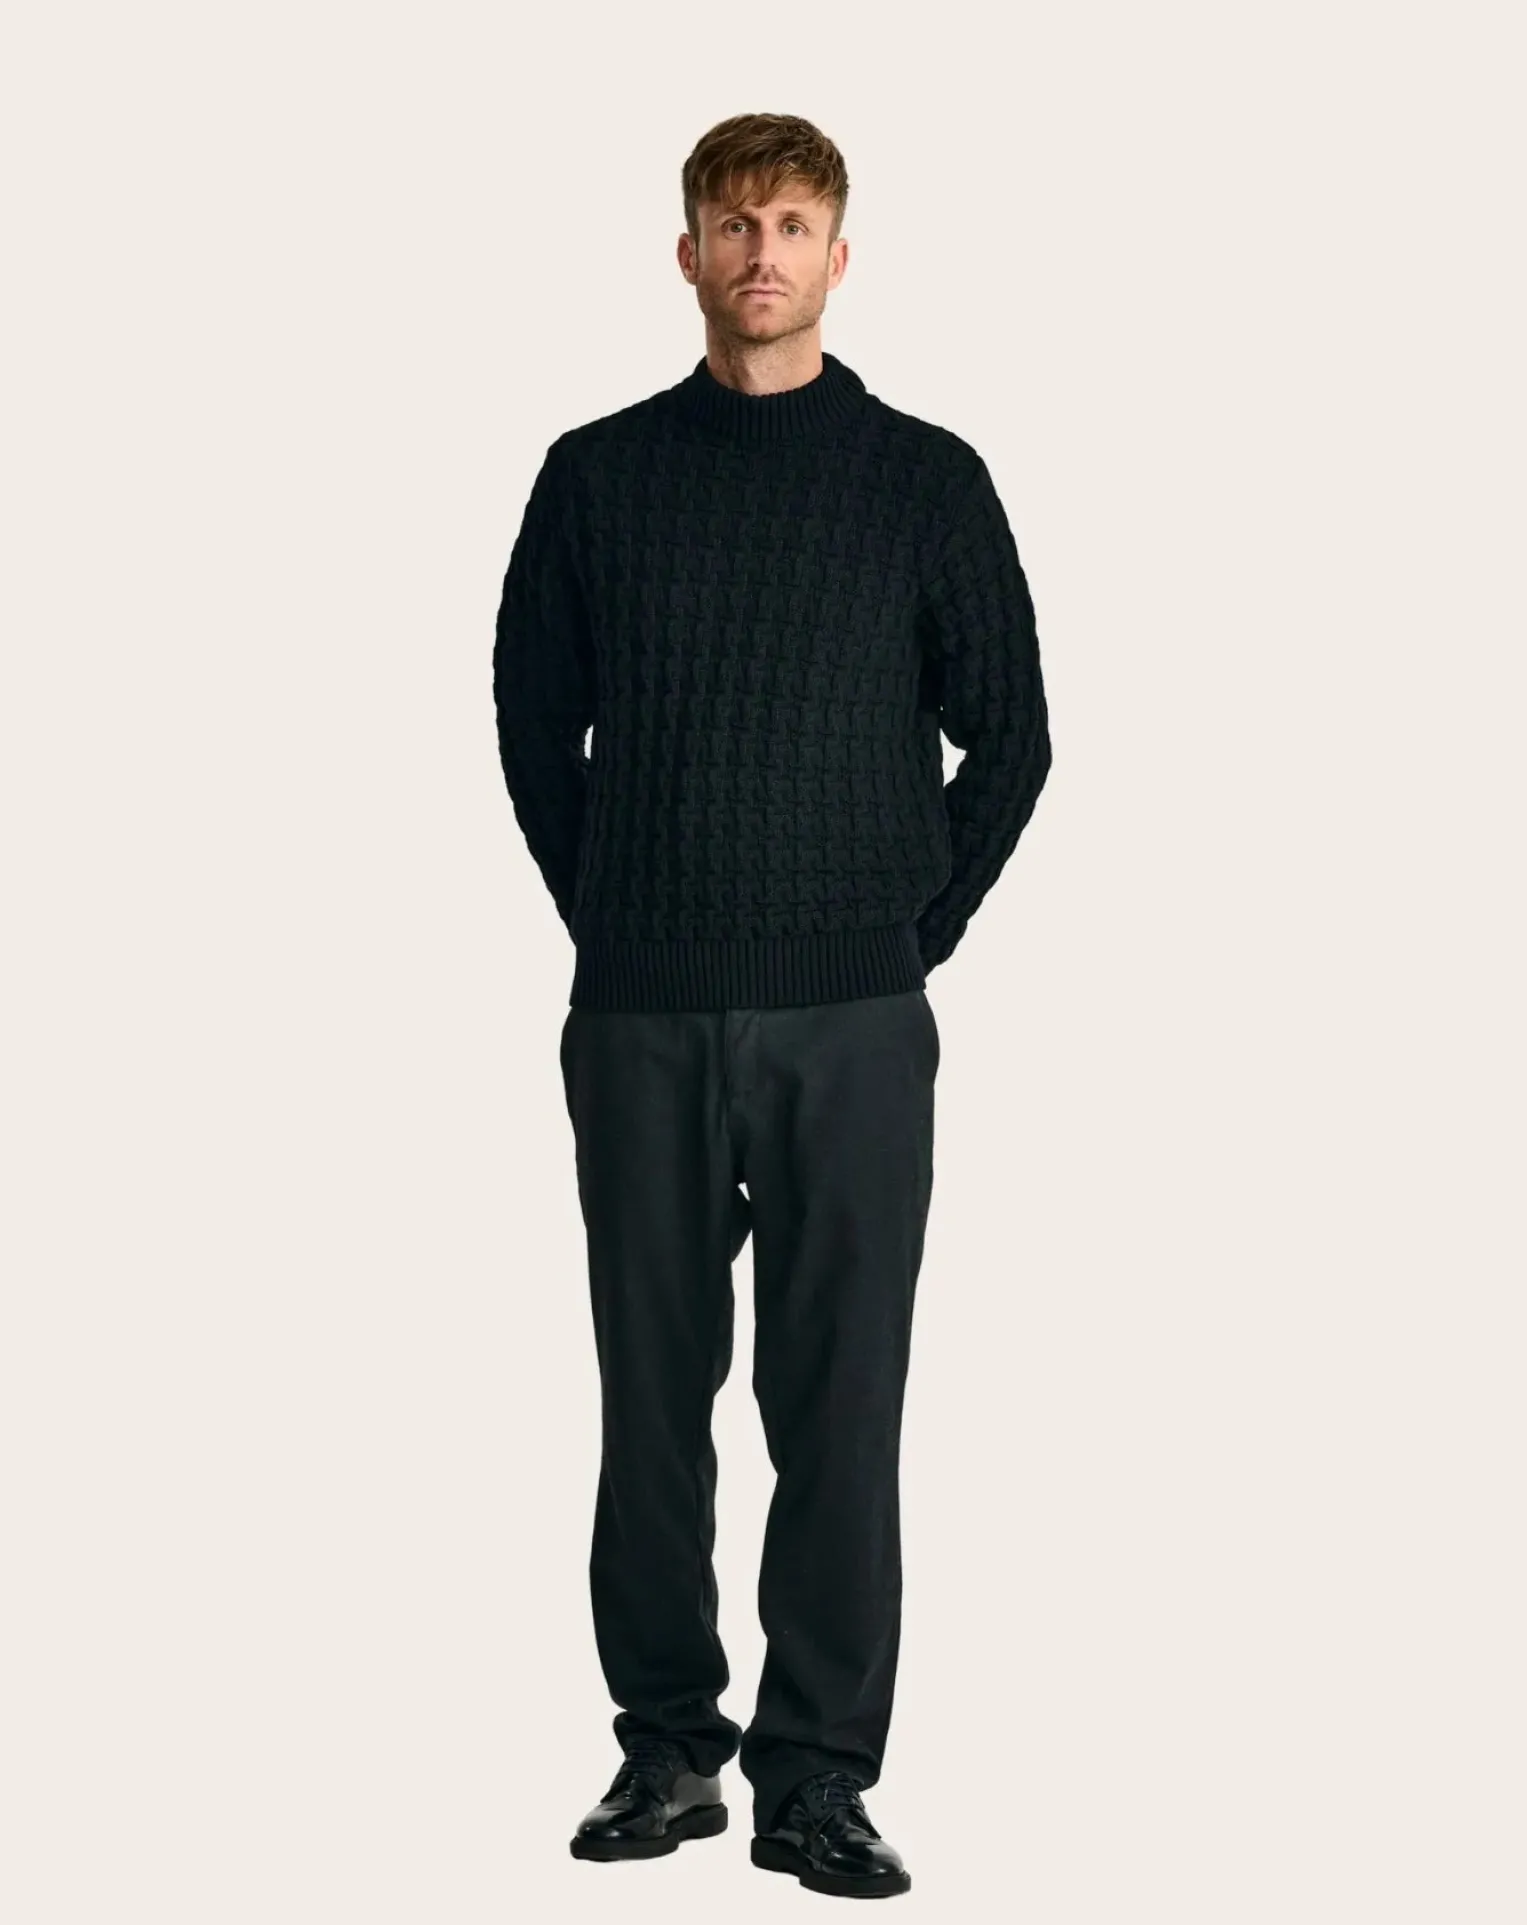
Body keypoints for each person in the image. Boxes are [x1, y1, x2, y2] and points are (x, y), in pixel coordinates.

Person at [492, 111, 1052, 1901]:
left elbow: (1013, 738)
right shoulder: (596, 476)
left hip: (853, 1026)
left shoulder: (922, 480)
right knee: (650, 1399)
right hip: (643, 1016)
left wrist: (905, 936)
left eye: (792, 223)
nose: (761, 253)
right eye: (733, 224)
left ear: (837, 254)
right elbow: (531, 723)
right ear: (686, 254)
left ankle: (817, 1774)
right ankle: (667, 1747)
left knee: (839, 1406)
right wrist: (617, 915)